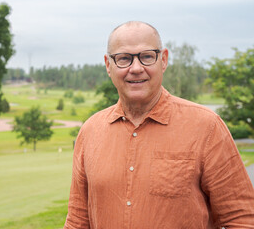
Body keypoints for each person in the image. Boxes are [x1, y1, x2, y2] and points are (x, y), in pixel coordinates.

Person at [64, 21, 254, 228]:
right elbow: (77, 221)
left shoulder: (206, 126)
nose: (136, 68)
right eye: (124, 59)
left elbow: (241, 219)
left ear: (163, 60)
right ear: (108, 65)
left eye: (146, 56)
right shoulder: (90, 131)